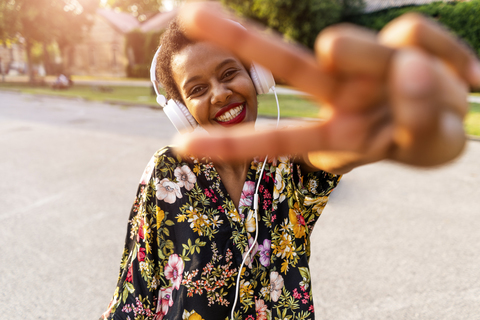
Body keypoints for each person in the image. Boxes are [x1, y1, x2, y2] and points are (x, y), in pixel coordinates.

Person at [101, 3, 475, 320]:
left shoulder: (286, 163)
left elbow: (332, 152)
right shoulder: (169, 169)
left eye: (229, 72)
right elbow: (138, 280)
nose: (220, 93)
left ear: (256, 77)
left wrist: (382, 123)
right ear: (181, 111)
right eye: (197, 89)